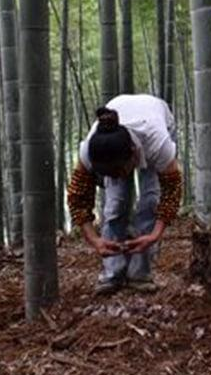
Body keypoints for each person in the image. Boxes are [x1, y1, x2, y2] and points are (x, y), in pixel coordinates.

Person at [67, 95, 183, 295]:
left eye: (119, 172)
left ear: (134, 153)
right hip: (120, 135)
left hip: (156, 120)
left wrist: (154, 235)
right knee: (115, 204)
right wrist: (94, 241)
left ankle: (140, 274)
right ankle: (112, 273)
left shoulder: (157, 144)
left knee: (150, 201)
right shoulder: (89, 150)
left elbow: (172, 191)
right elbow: (78, 197)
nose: (116, 177)